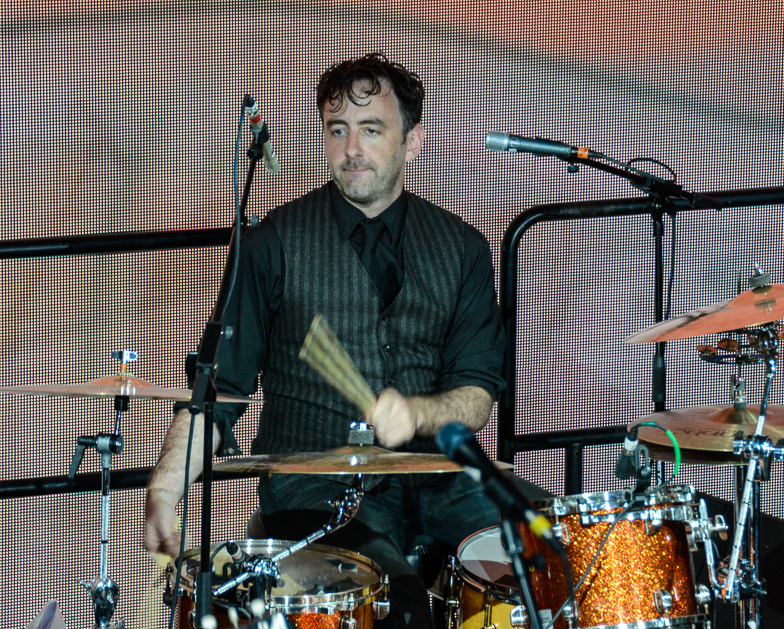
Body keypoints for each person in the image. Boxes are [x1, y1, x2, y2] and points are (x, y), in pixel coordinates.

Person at [144, 53, 545, 628]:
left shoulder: (463, 248)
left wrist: (418, 413)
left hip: (438, 478)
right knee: (395, 605)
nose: (352, 149)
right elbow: (218, 393)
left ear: (412, 142)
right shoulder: (272, 243)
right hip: (316, 488)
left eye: (371, 130)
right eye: (338, 130)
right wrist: (163, 493)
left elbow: (477, 394)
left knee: (553, 558)